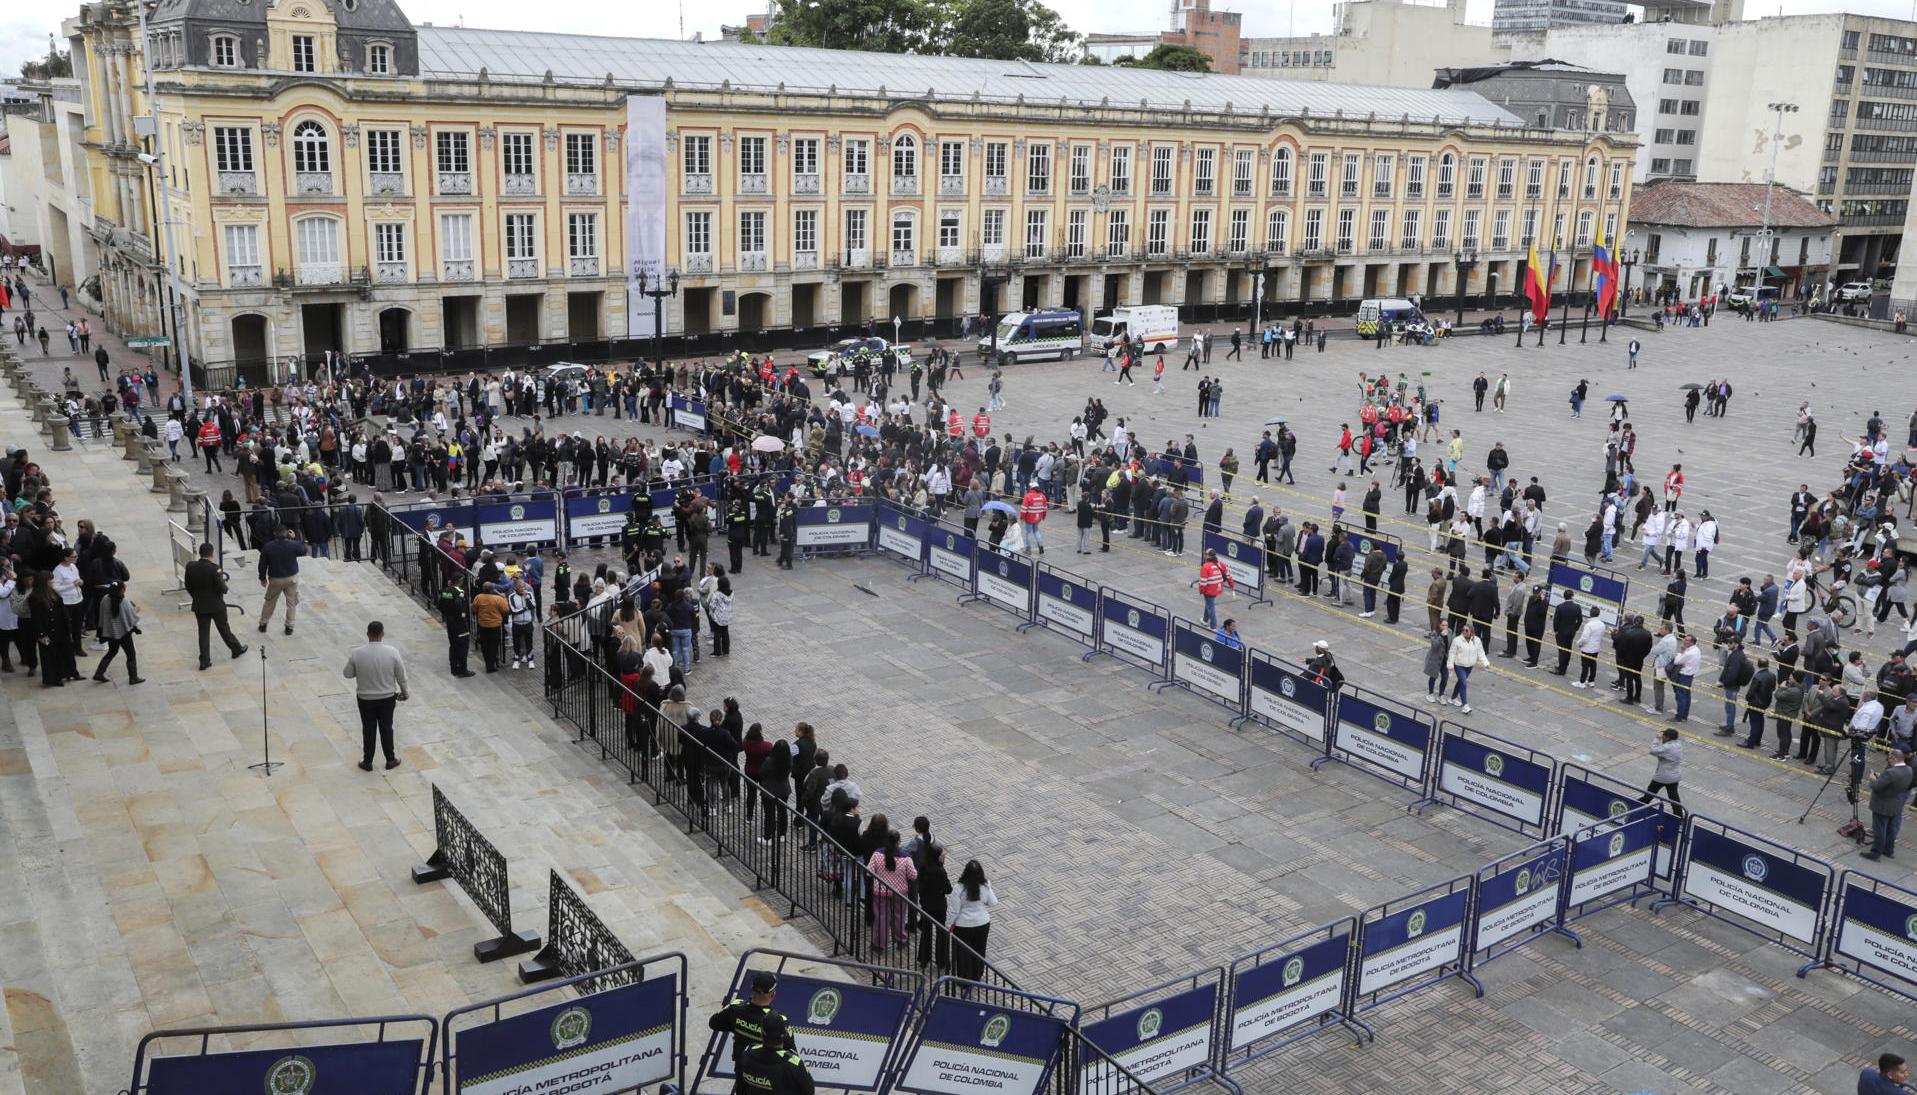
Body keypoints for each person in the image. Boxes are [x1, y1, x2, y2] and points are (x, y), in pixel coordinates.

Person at [342, 620, 408, 771]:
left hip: (366, 699)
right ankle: (390, 759)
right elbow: (401, 676)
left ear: (367, 635)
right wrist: (405, 693)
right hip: (387, 698)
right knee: (386, 727)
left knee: (368, 729)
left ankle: (367, 761)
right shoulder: (392, 652)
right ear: (382, 635)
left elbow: (347, 674)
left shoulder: (357, 653)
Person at [708, 971, 794, 1075]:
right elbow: (791, 1051)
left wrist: (738, 1026)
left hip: (742, 1067)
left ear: (751, 989)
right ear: (773, 994)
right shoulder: (779, 1021)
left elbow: (714, 1023)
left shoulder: (735, 1008)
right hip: (767, 1073)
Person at [183, 542, 247, 669]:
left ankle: (204, 660)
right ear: (211, 554)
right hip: (216, 606)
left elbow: (188, 586)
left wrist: (196, 597)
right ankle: (236, 649)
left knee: (203, 633)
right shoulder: (214, 568)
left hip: (200, 605)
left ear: (200, 553)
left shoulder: (190, 566)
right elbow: (223, 589)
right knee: (224, 629)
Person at [948, 859, 997, 981]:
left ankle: (964, 978)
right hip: (982, 923)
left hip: (963, 925)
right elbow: (993, 902)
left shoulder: (959, 888)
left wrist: (948, 924)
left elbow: (954, 910)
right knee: (979, 950)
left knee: (963, 953)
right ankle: (977, 975)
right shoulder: (985, 886)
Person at [1861, 748, 1913, 861]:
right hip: (1896, 804)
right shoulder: (1909, 770)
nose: (1888, 760)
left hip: (1883, 805)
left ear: (1894, 758)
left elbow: (1877, 787)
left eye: (1889, 758)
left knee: (1879, 829)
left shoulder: (1891, 772)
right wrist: (1882, 778)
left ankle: (1875, 853)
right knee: (1891, 829)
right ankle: (1888, 850)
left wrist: (1873, 779)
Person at [257, 526, 306, 635]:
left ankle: (263, 624)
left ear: (274, 533)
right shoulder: (292, 544)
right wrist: (295, 538)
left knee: (270, 602)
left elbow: (262, 564)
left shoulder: (268, 547)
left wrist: (262, 577)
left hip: (276, 579)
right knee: (291, 602)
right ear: (286, 533)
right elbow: (303, 550)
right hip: (291, 578)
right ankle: (289, 626)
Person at [92, 581, 144, 685]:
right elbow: (131, 618)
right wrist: (135, 610)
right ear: (121, 590)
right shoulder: (123, 602)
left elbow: (103, 615)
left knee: (112, 652)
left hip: (110, 632)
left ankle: (99, 673)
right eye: (124, 587)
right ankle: (133, 677)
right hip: (124, 633)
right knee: (131, 654)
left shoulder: (105, 599)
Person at [735, 1041, 815, 1095]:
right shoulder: (794, 1063)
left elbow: (740, 1086)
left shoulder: (747, 1053)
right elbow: (810, 1091)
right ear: (784, 1036)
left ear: (762, 1033)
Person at [1639, 728, 1686, 816]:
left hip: (1662, 777)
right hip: (1674, 776)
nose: (1662, 738)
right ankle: (1679, 817)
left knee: (1649, 794)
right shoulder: (1678, 745)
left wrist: (1657, 739)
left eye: (1663, 736)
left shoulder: (1667, 747)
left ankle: (1636, 807)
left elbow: (1653, 751)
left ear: (1667, 738)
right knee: (1674, 797)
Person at [1448, 623, 1489, 714]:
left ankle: (1453, 698)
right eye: (1463, 630)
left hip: (1469, 666)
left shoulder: (1477, 640)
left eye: (1466, 630)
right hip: (1459, 665)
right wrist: (1450, 665)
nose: (1464, 632)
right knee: (1464, 683)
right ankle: (1465, 705)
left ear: (1471, 632)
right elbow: (1452, 653)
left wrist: (1485, 663)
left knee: (1460, 682)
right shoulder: (1457, 640)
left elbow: (1481, 653)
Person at [1197, 549, 1234, 628]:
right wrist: (1232, 585)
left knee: (1211, 607)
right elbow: (1228, 576)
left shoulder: (1205, 566)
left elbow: (1203, 582)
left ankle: (1213, 626)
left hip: (1209, 590)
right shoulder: (1220, 564)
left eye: (1206, 554)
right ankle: (1205, 620)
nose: (1204, 555)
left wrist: (1201, 591)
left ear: (1209, 556)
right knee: (1209, 604)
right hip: (1218, 588)